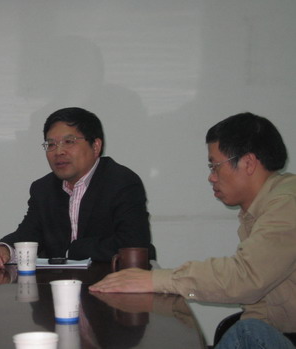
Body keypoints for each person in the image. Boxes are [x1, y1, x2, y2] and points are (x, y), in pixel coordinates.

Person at [90, 112, 296, 343]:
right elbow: (259, 304)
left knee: (247, 332)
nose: (211, 177)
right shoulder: (260, 209)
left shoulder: (288, 203)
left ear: (248, 163)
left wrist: (155, 280)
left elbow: (245, 278)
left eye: (215, 166)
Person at [0, 107, 155, 268]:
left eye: (69, 142)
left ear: (96, 146)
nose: (59, 152)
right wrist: (4, 248)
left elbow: (133, 244)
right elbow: (29, 234)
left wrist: (72, 251)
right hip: (58, 283)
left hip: (112, 280)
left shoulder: (122, 182)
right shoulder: (43, 189)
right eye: (51, 144)